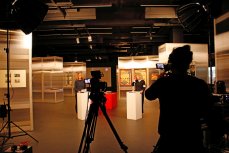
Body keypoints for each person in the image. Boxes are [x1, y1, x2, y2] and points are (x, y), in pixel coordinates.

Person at [145, 45, 213, 153]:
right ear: (188, 63)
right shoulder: (199, 84)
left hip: (169, 136)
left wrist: (160, 79)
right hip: (192, 136)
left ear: (171, 63)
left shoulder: (163, 83)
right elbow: (209, 111)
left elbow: (148, 95)